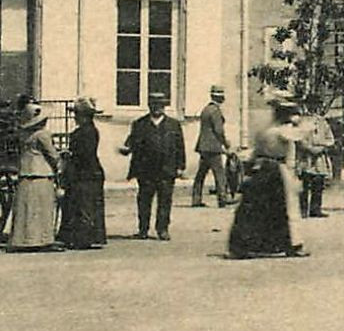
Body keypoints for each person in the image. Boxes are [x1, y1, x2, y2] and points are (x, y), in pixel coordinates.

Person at [229, 95, 308, 258]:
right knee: (286, 208)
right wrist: (299, 122)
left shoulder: (264, 130)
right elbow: (302, 135)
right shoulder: (283, 131)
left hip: (262, 169)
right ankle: (291, 245)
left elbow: (255, 153)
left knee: (255, 208)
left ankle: (247, 245)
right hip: (278, 170)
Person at [119, 90, 185, 241]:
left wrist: (181, 166)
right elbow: (131, 142)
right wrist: (126, 149)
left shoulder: (173, 125)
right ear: (149, 106)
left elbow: (179, 146)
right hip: (146, 170)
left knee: (165, 201)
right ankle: (143, 229)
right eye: (154, 105)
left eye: (160, 105)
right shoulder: (140, 124)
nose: (157, 108)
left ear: (164, 107)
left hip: (167, 170)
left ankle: (162, 229)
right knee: (144, 200)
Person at [6, 96, 61, 252]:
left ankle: (22, 239)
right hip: (41, 173)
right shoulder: (43, 135)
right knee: (42, 208)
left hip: (25, 173)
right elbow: (52, 155)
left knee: (26, 209)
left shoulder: (24, 135)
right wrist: (59, 164)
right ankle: (42, 240)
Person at [58, 97, 107, 249]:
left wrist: (69, 155)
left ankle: (83, 238)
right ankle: (79, 236)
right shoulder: (86, 131)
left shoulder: (87, 132)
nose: (75, 117)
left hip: (86, 173)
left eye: (78, 114)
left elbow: (85, 153)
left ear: (85, 116)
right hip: (86, 172)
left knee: (84, 205)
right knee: (79, 203)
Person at [192, 84, 233, 207]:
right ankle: (222, 199)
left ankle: (196, 199)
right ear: (220, 98)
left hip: (203, 146)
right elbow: (219, 131)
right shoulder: (216, 111)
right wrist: (226, 144)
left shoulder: (206, 109)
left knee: (201, 174)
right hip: (213, 147)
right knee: (219, 174)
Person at [295, 100, 335, 218]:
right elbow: (299, 138)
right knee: (304, 184)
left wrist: (322, 147)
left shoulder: (323, 122)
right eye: (311, 106)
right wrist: (309, 148)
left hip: (319, 158)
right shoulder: (302, 121)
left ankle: (315, 209)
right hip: (306, 158)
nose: (313, 109)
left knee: (318, 184)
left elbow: (330, 139)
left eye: (316, 106)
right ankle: (302, 210)